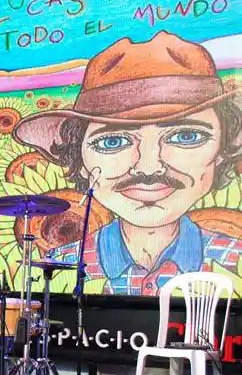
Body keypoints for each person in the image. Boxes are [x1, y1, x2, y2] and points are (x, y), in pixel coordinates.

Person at [13, 31, 242, 295]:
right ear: (80, 159)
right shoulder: (57, 270)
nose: (148, 167)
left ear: (222, 149)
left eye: (185, 136)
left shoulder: (234, 261)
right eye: (113, 141)